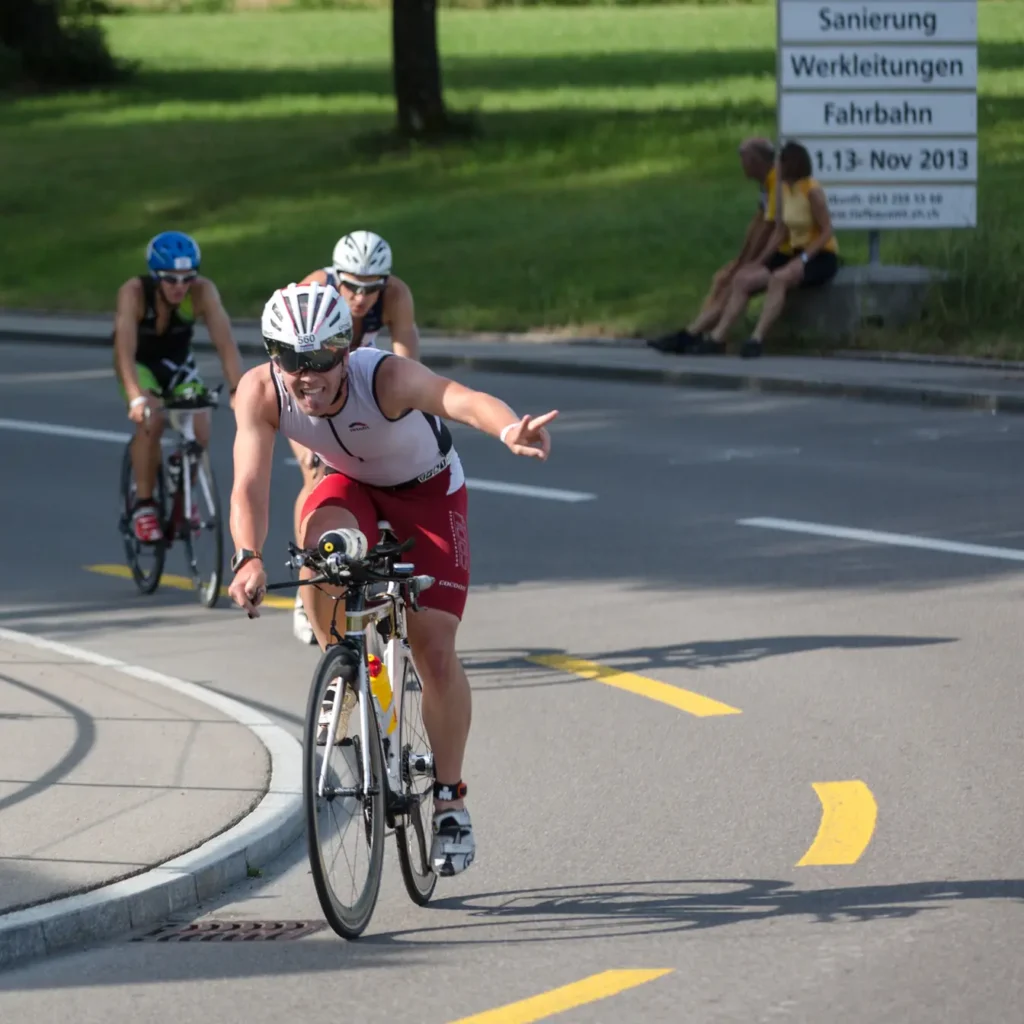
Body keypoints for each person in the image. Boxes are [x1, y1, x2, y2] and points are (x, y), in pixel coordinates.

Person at [227, 281, 557, 877]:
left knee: (433, 650)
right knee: (322, 552)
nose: (308, 376)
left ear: (344, 351)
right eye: (291, 361)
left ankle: (451, 799)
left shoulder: (382, 378)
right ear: (273, 357)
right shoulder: (260, 392)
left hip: (427, 492)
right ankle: (342, 670)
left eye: (322, 359)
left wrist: (509, 429)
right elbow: (248, 483)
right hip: (348, 485)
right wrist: (246, 555)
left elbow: (458, 397)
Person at [285, 230, 422, 645]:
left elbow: (407, 361)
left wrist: (406, 416)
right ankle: (308, 581)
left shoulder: (395, 295)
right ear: (335, 276)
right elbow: (289, 365)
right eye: (351, 286)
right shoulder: (315, 290)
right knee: (316, 476)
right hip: (310, 394)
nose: (360, 297)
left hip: (358, 389)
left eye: (370, 288)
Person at [113, 231, 244, 544]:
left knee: (201, 424)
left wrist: (239, 390)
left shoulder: (202, 292)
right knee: (152, 420)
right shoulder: (134, 292)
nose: (179, 287)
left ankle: (183, 487)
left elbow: (226, 343)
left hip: (176, 365)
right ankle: (144, 505)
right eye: (171, 280)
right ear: (156, 276)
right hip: (140, 365)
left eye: (187, 279)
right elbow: (124, 350)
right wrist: (135, 397)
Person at [703, 140, 840, 359]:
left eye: (781, 164)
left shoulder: (812, 191)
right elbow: (779, 231)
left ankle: (757, 338)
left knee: (779, 278)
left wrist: (802, 259)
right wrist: (757, 262)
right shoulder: (784, 190)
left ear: (792, 164)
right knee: (742, 279)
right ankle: (717, 337)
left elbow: (827, 232)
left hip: (820, 255)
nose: (777, 170)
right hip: (794, 251)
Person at [648, 137, 778, 355]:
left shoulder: (776, 184)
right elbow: (757, 224)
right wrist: (741, 259)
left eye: (744, 160)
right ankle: (698, 332)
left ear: (756, 161)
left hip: (781, 254)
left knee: (734, 281)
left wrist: (751, 263)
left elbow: (770, 229)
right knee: (722, 278)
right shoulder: (766, 184)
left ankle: (698, 335)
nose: (741, 165)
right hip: (768, 254)